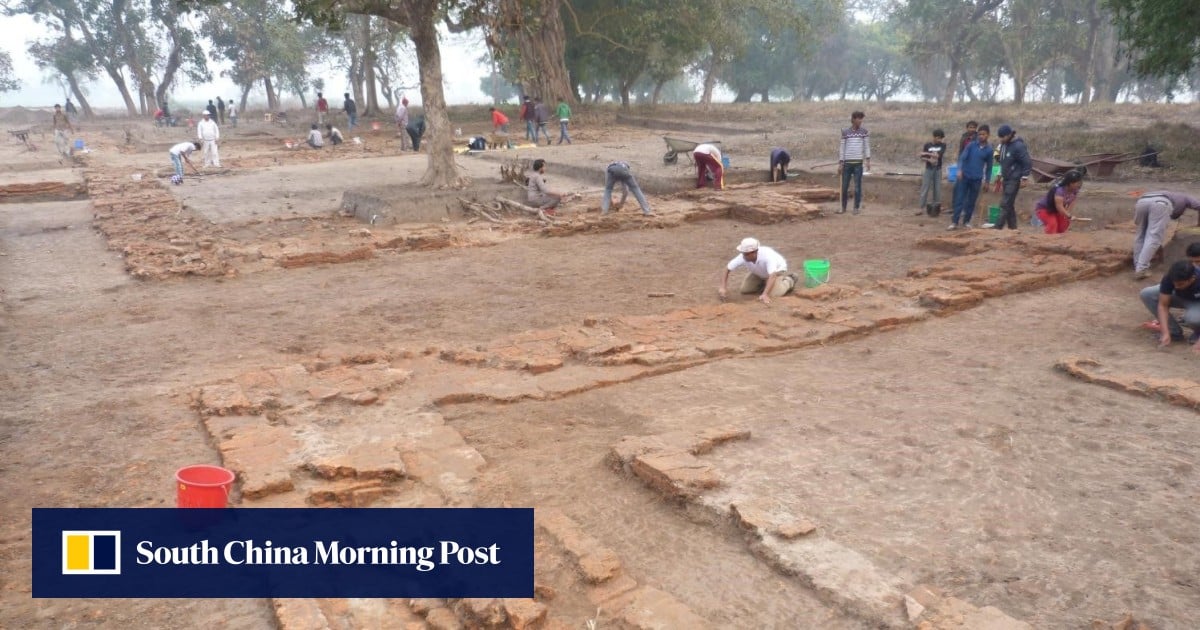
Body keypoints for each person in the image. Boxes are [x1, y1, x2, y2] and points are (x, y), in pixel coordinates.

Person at [1133, 190, 1200, 279]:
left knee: (1141, 235)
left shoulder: (1173, 195)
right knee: (1154, 237)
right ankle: (1141, 269)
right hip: (1160, 203)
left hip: (1142, 201)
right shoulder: (1186, 198)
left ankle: (1138, 265)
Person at [718, 237, 799, 306]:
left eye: (746, 254)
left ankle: (789, 280)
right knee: (745, 290)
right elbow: (727, 268)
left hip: (776, 272)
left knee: (773, 294)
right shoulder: (743, 256)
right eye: (743, 253)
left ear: (754, 252)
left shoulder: (767, 256)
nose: (743, 256)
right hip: (759, 273)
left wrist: (765, 294)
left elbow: (772, 275)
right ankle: (765, 283)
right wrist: (723, 287)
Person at [1140, 260, 1200, 350]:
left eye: (1180, 284)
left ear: (1192, 279)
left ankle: (1198, 333)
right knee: (1147, 294)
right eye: (1174, 284)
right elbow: (1163, 305)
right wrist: (1165, 333)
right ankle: (1173, 332)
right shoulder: (1170, 278)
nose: (1176, 287)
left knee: (1193, 318)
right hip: (1181, 297)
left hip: (1196, 302)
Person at [987, 124, 1032, 230]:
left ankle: (998, 226)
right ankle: (1013, 228)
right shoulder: (1004, 145)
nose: (1001, 139)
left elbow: (1027, 162)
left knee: (1005, 202)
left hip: (1014, 178)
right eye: (1000, 137)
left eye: (1003, 137)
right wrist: (1000, 175)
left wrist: (1024, 178)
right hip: (1006, 177)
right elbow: (1003, 162)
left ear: (1009, 135)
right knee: (1009, 204)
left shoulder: (1018, 146)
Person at [948, 124, 992, 230]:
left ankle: (966, 222)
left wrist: (987, 181)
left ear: (988, 135)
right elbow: (962, 158)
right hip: (964, 177)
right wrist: (959, 170)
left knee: (971, 201)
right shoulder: (971, 145)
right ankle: (954, 222)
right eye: (980, 134)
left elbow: (989, 167)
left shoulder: (989, 150)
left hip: (976, 179)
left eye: (984, 134)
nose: (981, 136)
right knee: (960, 199)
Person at [838, 111, 870, 215]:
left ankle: (856, 208)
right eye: (858, 118)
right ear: (853, 119)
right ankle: (843, 207)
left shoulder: (864, 132)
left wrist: (868, 160)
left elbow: (866, 146)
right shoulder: (845, 132)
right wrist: (841, 163)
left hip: (858, 163)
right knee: (844, 186)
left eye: (861, 119)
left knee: (857, 187)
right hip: (847, 163)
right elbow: (842, 148)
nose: (860, 121)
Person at [1032, 170, 1083, 234]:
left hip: (1057, 211)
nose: (1079, 184)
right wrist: (1069, 216)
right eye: (1077, 182)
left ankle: (1056, 239)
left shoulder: (1075, 191)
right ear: (1070, 183)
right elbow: (1059, 207)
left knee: (1063, 225)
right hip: (1045, 209)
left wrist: (1068, 215)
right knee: (1052, 225)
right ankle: (1048, 240)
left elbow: (1072, 202)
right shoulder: (1060, 190)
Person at [918, 129, 946, 216]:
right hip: (928, 168)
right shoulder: (927, 145)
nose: (939, 140)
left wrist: (926, 154)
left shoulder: (943, 145)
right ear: (934, 137)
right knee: (925, 188)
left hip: (938, 169)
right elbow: (922, 158)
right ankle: (921, 207)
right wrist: (929, 159)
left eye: (940, 139)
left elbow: (938, 155)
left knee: (937, 188)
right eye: (938, 138)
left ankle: (937, 207)